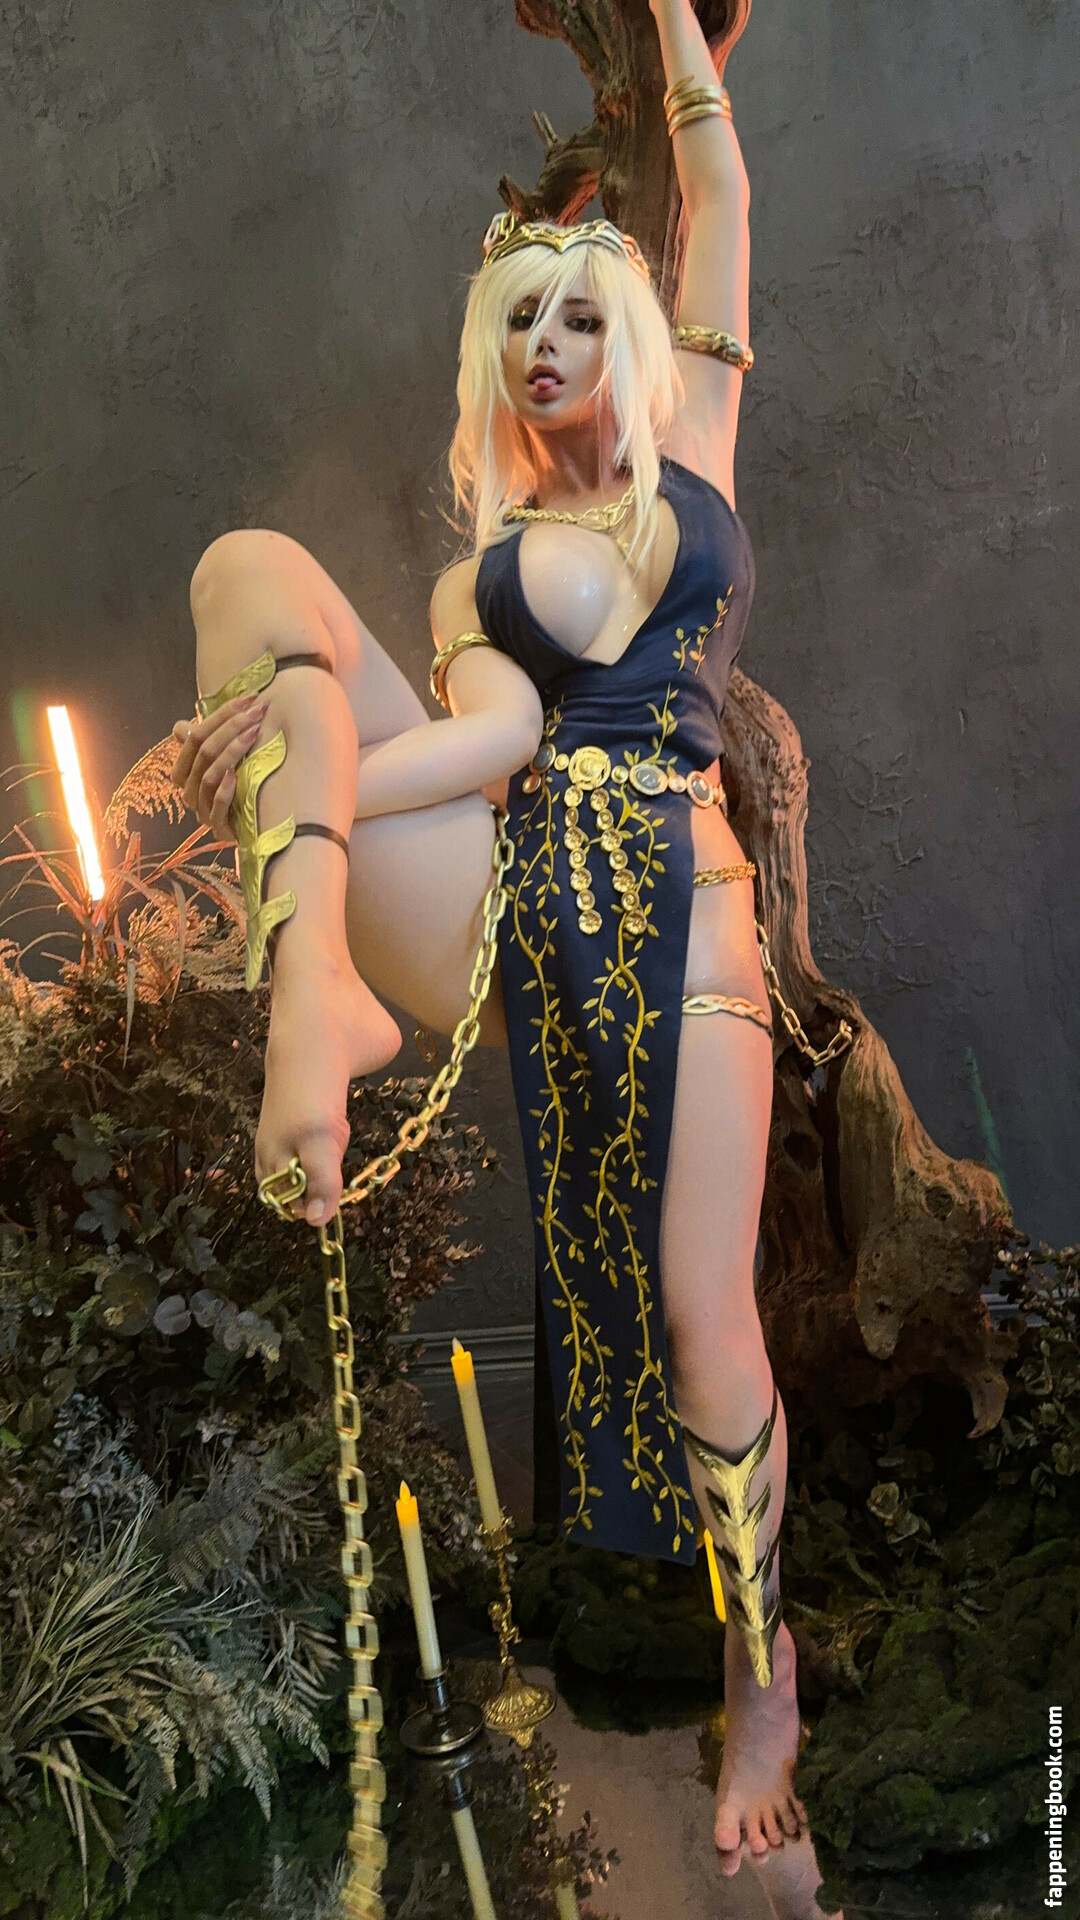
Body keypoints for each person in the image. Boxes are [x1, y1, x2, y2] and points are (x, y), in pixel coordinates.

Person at [171, 0, 816, 1883]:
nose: (546, 344)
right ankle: (320, 995)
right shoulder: (478, 573)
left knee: (706, 1321)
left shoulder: (701, 452)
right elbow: (492, 739)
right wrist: (307, 758)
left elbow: (717, 188)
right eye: (517, 321)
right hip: (518, 916)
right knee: (253, 583)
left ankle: (762, 1677)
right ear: (491, 355)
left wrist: (675, 19)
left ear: (628, 329)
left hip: (689, 926)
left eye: (574, 314)